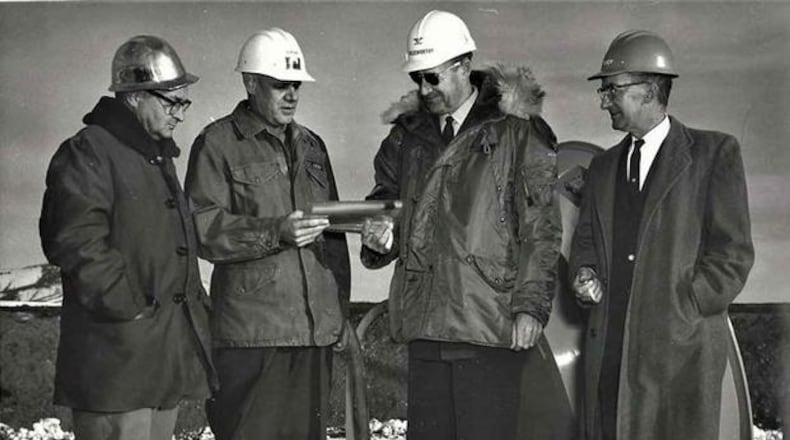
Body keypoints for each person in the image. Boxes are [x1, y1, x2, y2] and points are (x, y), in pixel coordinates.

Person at [360, 10, 564, 439]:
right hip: (425, 324)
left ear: (463, 66)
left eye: (432, 77)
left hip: (487, 324)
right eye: (417, 78)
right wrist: (382, 231)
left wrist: (531, 306)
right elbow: (386, 202)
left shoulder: (519, 132)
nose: (422, 89)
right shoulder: (406, 137)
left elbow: (542, 228)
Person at [569, 30, 755, 439]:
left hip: (682, 357)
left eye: (611, 90)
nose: (603, 101)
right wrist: (584, 273)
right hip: (612, 355)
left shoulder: (714, 154)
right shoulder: (602, 169)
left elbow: (733, 255)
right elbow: (586, 241)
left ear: (649, 90)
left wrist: (686, 305)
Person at [39, 36, 214, 440]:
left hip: (157, 362)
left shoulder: (153, 157)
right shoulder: (90, 151)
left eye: (183, 102)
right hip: (116, 364)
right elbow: (75, 240)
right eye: (172, 102)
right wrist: (131, 309)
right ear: (134, 96)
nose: (181, 115)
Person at [184, 28, 350, 440]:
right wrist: (276, 231)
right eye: (280, 85)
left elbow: (333, 243)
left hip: (314, 337)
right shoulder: (217, 144)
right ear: (250, 83)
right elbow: (201, 229)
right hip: (252, 338)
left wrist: (339, 315)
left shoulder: (313, 147)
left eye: (296, 85)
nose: (292, 94)